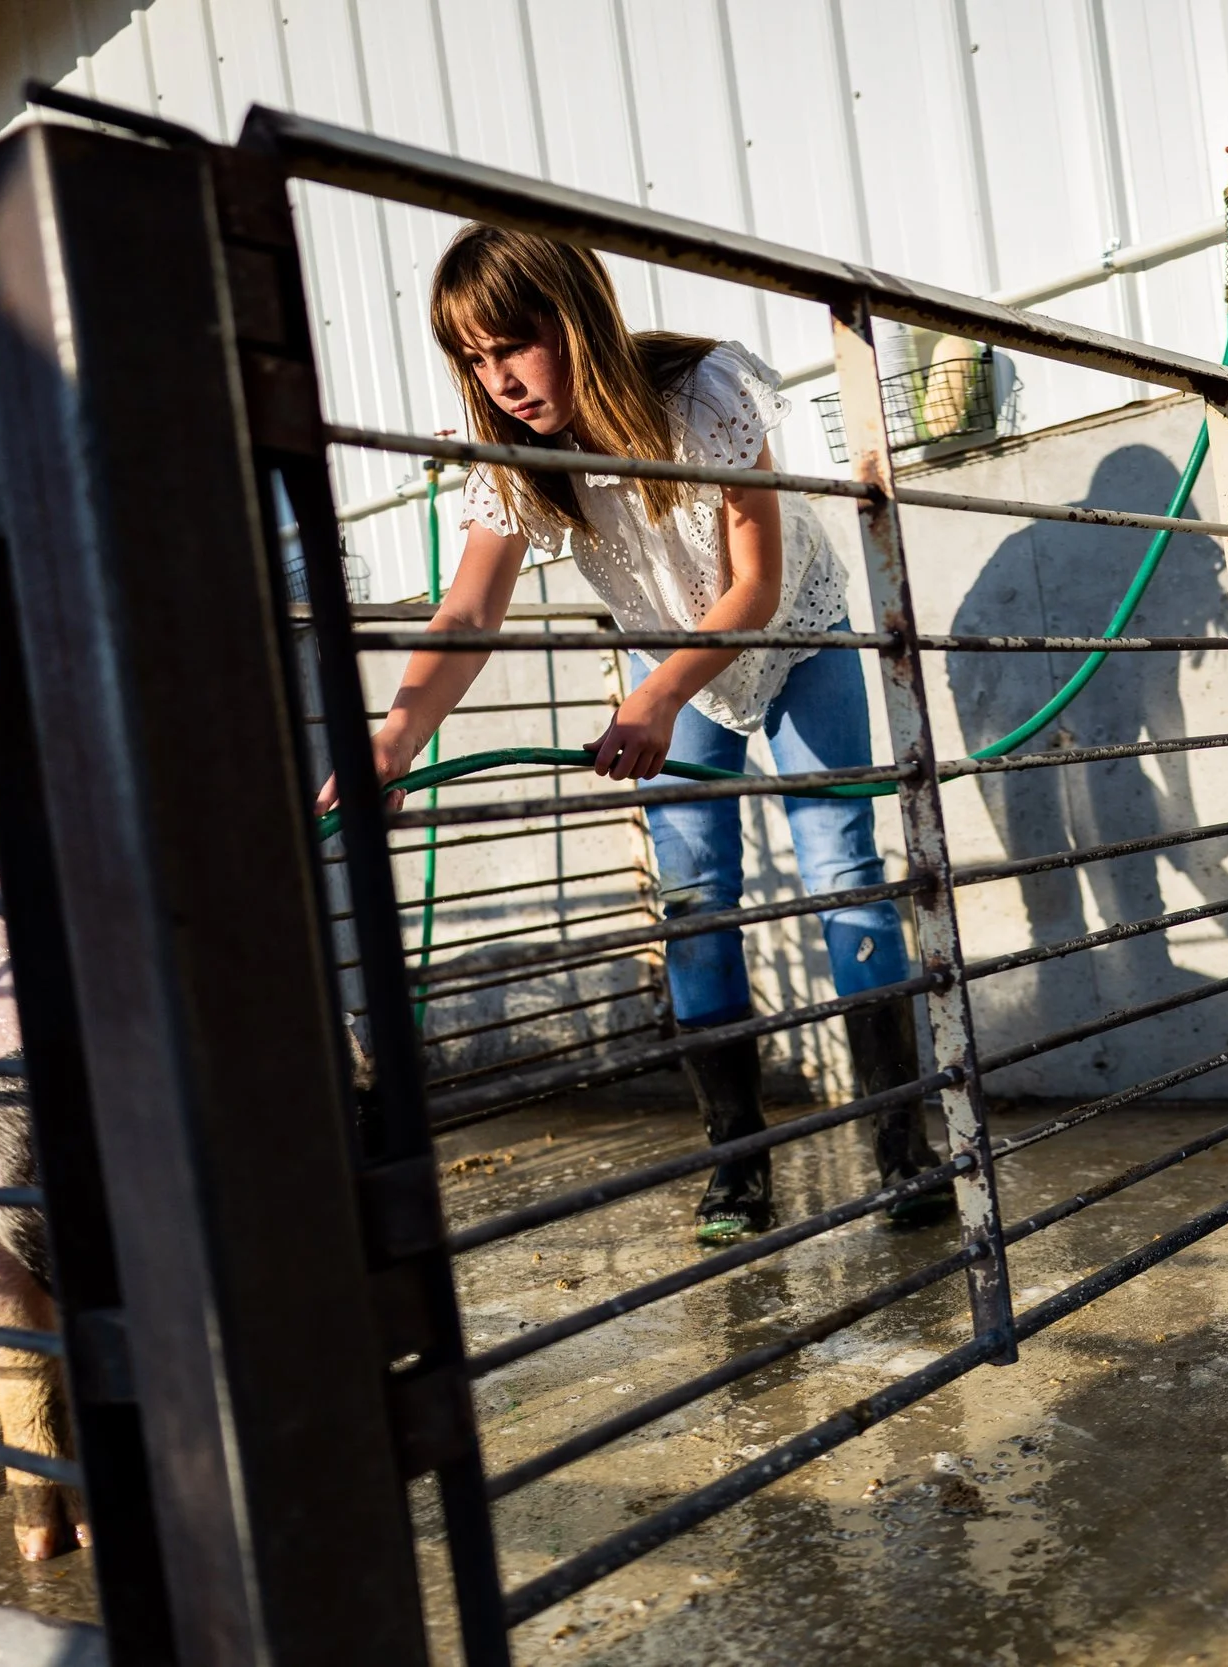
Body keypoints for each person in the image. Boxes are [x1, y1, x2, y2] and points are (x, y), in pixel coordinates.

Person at [333, 223, 948, 1243]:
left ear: (573, 320)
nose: (504, 381)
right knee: (694, 893)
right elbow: (468, 614)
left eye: (516, 345)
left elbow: (752, 582)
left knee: (845, 870)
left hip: (792, 635)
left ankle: (902, 1145)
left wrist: (655, 693)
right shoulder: (513, 459)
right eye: (476, 360)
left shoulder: (705, 394)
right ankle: (736, 1163)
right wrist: (392, 738)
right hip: (666, 672)